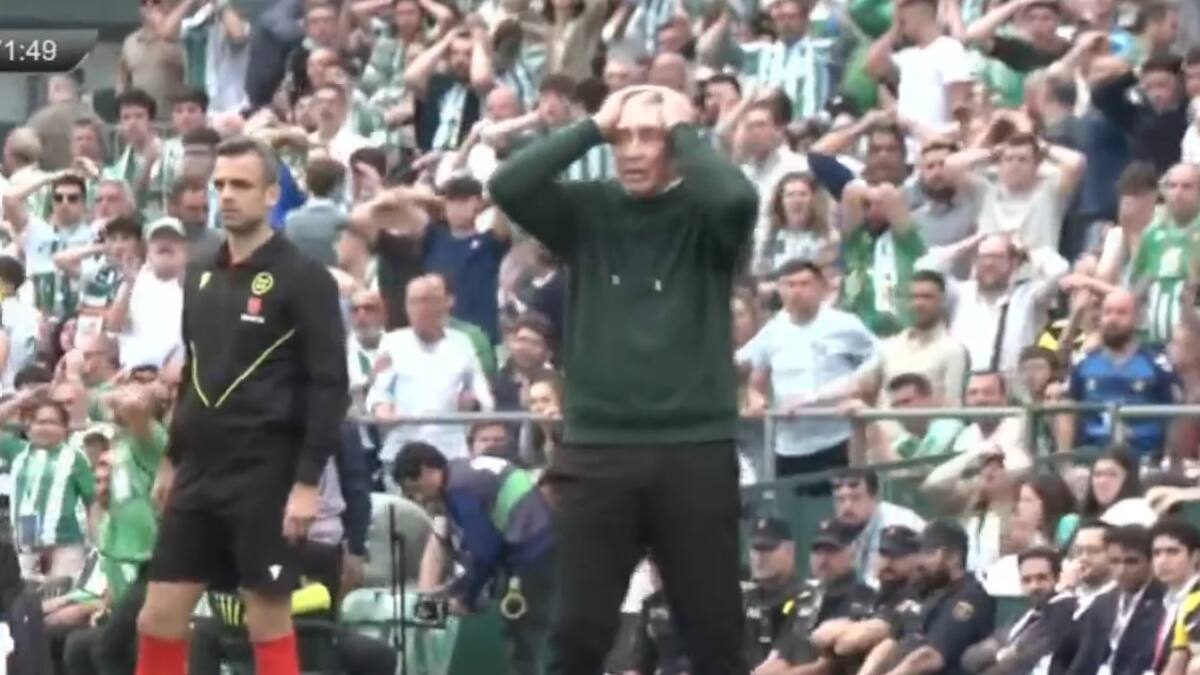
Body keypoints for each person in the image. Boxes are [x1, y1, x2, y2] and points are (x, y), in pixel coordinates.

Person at [488, 84, 758, 674]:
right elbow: (508, 185)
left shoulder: (706, 216)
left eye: (651, 137)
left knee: (714, 632)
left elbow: (737, 197)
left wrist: (686, 132)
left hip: (694, 448)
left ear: (679, 147)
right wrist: (591, 127)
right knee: (577, 631)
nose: (633, 151)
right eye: (623, 138)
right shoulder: (588, 211)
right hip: (598, 451)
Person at [133, 137, 349, 675]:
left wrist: (306, 482)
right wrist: (172, 458)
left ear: (272, 193)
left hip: (266, 471)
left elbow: (330, 385)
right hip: (200, 470)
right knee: (157, 617)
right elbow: (193, 372)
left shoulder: (305, 277)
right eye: (220, 185)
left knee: (266, 620)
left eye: (241, 185)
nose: (226, 196)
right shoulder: (201, 269)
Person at [395, 441, 555, 675]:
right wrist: (457, 590)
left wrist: (465, 599)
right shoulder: (463, 471)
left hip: (531, 553)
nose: (419, 498)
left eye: (416, 487)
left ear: (426, 470)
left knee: (523, 638)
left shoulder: (458, 490)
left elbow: (484, 553)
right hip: (538, 543)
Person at [859, 520, 996, 675]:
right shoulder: (928, 591)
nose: (920, 561)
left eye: (927, 553)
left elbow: (929, 658)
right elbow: (893, 643)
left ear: (952, 557)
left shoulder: (969, 598)